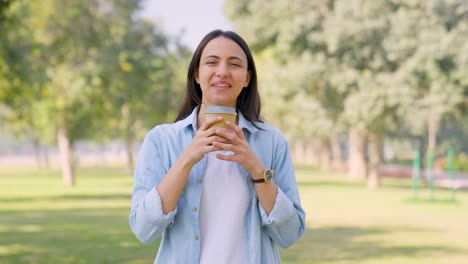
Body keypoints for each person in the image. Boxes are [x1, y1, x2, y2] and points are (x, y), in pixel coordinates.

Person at [129, 29, 305, 264]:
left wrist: (257, 171)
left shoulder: (272, 141)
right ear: (197, 74)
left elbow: (290, 234)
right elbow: (143, 229)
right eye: (212, 62)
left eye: (234, 64)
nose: (222, 72)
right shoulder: (161, 140)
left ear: (247, 78)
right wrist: (187, 158)